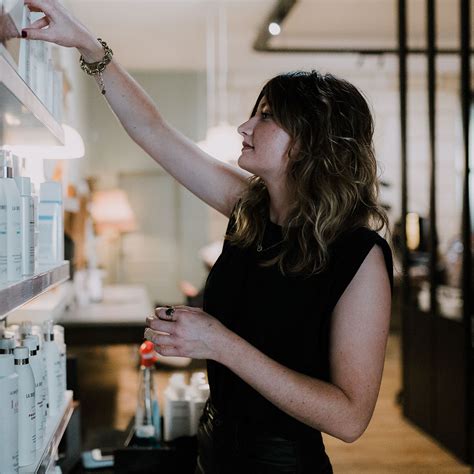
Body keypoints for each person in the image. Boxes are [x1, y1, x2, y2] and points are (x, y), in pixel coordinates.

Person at [21, 1, 393, 472]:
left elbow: (350, 417)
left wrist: (219, 343)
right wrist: (88, 45)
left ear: (310, 143)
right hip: (211, 450)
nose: (245, 126)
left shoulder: (360, 257)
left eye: (266, 116)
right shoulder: (251, 211)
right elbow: (153, 131)